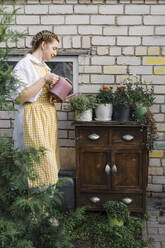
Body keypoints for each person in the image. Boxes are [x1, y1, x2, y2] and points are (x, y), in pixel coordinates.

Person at [13, 30, 61, 189]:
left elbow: (42, 94)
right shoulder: (24, 65)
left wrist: (57, 94)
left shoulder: (45, 67)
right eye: (54, 48)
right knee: (38, 164)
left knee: (49, 163)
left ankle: (45, 211)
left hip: (46, 119)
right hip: (32, 119)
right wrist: (43, 80)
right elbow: (21, 97)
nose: (55, 52)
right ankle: (35, 212)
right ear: (43, 44)